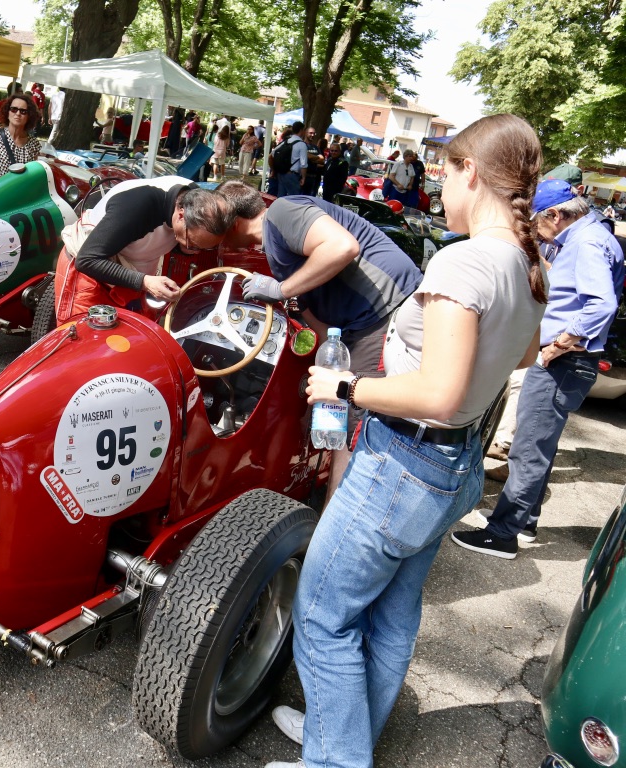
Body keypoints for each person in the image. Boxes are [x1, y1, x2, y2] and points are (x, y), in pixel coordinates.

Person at [264, 113, 548, 768]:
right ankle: (345, 737)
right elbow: (525, 355)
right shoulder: (528, 264)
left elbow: (440, 393)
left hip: (404, 464)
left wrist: (344, 388)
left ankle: (335, 759)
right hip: (454, 465)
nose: (440, 189)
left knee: (324, 614)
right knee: (392, 615)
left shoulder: (466, 260)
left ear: (469, 172)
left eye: (446, 172)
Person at [451, 179, 624, 558]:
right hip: (570, 359)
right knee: (538, 445)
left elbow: (601, 305)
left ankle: (503, 534)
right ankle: (523, 522)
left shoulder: (588, 243)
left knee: (528, 450)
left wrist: (561, 343)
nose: (535, 230)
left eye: (537, 223)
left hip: (564, 359)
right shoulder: (590, 236)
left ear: (555, 215)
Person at [219, 180, 422, 499]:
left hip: (385, 312)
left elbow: (343, 248)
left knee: (357, 422)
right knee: (339, 411)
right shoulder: (277, 250)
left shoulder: (281, 212)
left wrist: (279, 290)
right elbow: (320, 324)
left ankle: (338, 524)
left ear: (231, 222)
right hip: (355, 326)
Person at [53, 178, 234, 323]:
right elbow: (87, 260)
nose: (193, 251)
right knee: (84, 340)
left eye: (202, 248)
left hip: (132, 274)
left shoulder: (195, 198)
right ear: (180, 216)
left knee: (133, 340)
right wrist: (145, 281)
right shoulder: (139, 206)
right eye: (192, 244)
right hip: (89, 271)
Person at [301, 127, 323, 195]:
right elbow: (306, 156)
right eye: (310, 133)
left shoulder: (316, 147)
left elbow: (322, 160)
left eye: (314, 133)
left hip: (313, 178)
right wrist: (316, 158)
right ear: (305, 133)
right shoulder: (302, 145)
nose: (312, 135)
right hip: (302, 177)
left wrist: (310, 158)